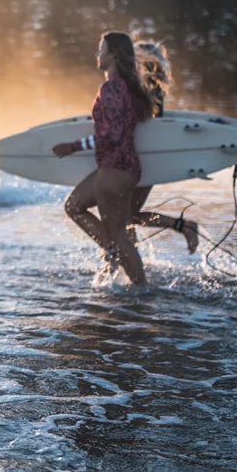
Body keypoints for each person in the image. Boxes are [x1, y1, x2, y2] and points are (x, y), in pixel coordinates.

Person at [52, 32, 158, 285]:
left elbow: (112, 134)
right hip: (118, 168)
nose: (98, 55)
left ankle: (141, 290)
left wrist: (73, 147)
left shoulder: (112, 87)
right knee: (74, 206)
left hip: (115, 169)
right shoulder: (124, 86)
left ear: (112, 55)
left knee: (119, 234)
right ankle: (111, 251)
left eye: (101, 50)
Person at [128, 41, 199, 253]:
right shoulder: (147, 87)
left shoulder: (148, 89)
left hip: (144, 158)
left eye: (134, 58)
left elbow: (149, 127)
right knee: (124, 215)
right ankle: (122, 259)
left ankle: (184, 226)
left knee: (124, 215)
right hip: (138, 157)